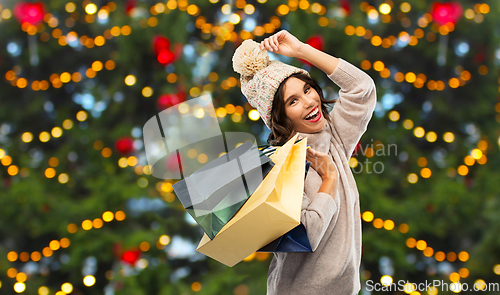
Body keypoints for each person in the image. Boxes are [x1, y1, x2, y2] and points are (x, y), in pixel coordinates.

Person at [232, 30, 376, 295]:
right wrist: (329, 181)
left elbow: (362, 88)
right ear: (280, 116)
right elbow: (304, 236)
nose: (310, 101)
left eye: (307, 88)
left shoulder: (334, 137)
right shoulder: (281, 166)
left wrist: (301, 50)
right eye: (293, 101)